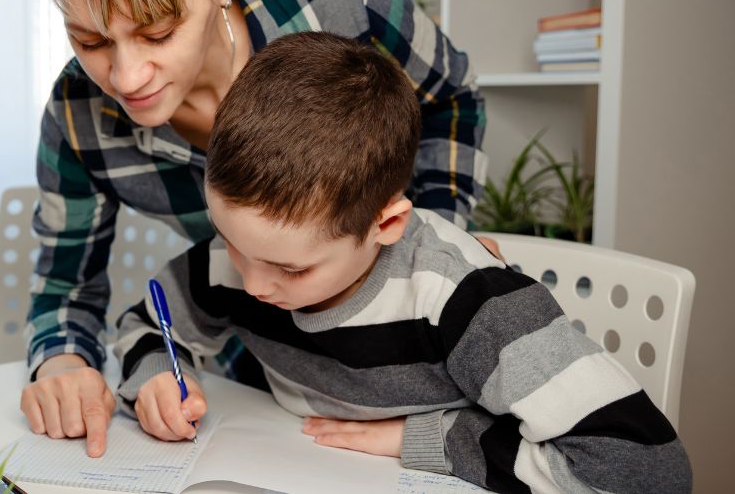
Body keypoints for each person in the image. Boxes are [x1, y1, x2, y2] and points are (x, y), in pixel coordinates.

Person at [21, 0, 490, 459]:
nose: (128, 75)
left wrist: (436, 237)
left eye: (158, 32)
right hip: (264, 381)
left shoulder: (345, 5)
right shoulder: (77, 114)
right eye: (89, 39)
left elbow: (451, 96)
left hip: (425, 378)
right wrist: (61, 363)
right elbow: (67, 285)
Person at [114, 32, 691, 493]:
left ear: (384, 225)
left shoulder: (468, 300)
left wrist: (428, 437)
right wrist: (156, 376)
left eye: (291, 270)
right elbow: (149, 320)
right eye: (232, 243)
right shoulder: (240, 256)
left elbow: (645, 470)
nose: (253, 283)